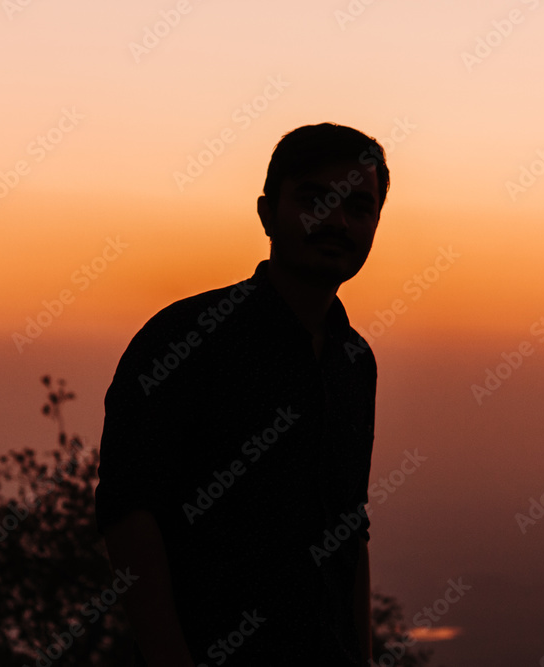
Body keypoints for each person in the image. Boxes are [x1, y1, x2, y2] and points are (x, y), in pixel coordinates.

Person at [96, 122, 389, 666]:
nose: (337, 221)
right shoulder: (184, 341)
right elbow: (129, 518)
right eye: (314, 199)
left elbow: (350, 526)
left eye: (358, 205)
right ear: (266, 213)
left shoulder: (355, 362)